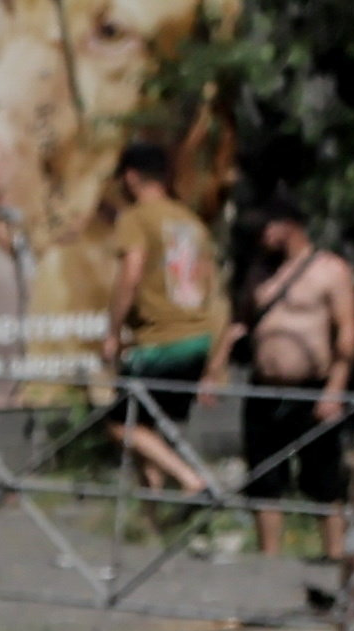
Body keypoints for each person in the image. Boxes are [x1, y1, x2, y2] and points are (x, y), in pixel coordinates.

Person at [98, 141, 225, 503]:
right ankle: (151, 517)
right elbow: (212, 286)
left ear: (132, 178)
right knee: (148, 430)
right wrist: (216, 358)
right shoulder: (190, 221)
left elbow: (131, 274)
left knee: (121, 426)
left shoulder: (137, 218)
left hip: (160, 339)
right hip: (197, 335)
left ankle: (193, 481)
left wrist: (112, 331)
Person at [239, 207, 354, 560]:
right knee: (264, 479)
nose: (261, 236)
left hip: (313, 388)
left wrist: (334, 390)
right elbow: (242, 322)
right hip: (263, 388)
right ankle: (269, 561)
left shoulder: (330, 270)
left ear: (289, 224)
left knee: (324, 479)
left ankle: (335, 556)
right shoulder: (260, 271)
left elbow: (348, 332)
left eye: (266, 227)